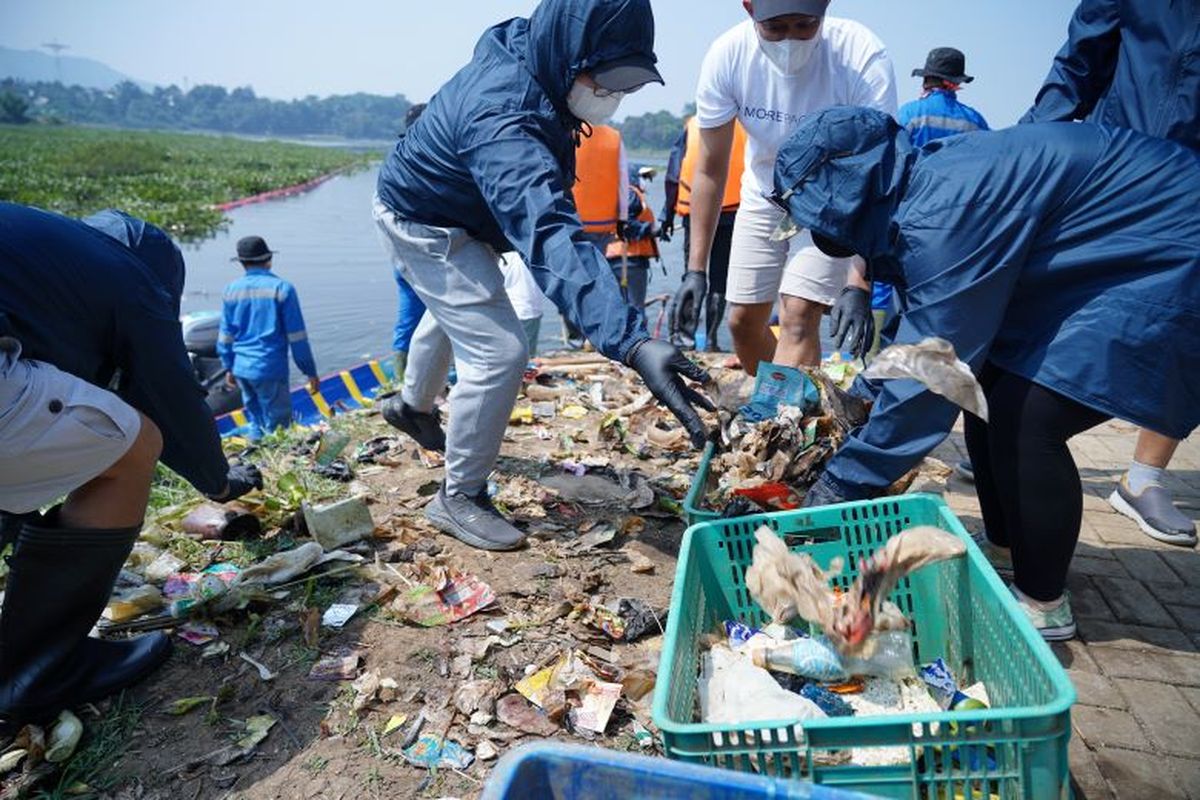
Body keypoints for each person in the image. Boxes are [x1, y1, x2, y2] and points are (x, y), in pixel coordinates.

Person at [773, 107, 1198, 640]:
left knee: (1029, 417)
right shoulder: (922, 187)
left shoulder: (943, 211)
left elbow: (934, 373)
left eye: (814, 216)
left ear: (848, 194)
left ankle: (1044, 603)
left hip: (1173, 253)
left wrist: (841, 482)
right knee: (987, 391)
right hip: (1131, 245)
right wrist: (859, 395)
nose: (816, 232)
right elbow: (931, 332)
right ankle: (1009, 546)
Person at [372, 0, 712, 552]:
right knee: (500, 350)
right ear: (569, 52)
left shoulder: (538, 58)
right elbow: (550, 231)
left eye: (623, 82)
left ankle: (410, 408)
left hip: (461, 210)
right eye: (601, 79)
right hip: (423, 220)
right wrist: (631, 341)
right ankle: (458, 497)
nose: (610, 95)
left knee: (460, 308)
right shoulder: (501, 115)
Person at [0, 203, 263, 731]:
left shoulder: (47, 257)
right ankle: (35, 672)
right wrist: (220, 481)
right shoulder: (132, 278)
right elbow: (173, 399)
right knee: (134, 443)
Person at [1021, 0, 1199, 548]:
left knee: (1186, 329)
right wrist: (1027, 148)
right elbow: (1078, 63)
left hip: (1193, 189)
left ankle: (1143, 477)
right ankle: (1006, 443)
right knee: (1051, 306)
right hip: (1120, 164)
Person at [670, 0, 897, 374]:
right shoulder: (728, 56)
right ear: (749, 9)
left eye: (804, 25)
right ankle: (786, 399)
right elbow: (710, 171)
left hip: (834, 205)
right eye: (775, 28)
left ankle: (780, 420)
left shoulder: (861, 56)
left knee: (798, 315)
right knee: (741, 323)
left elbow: (877, 173)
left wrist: (859, 280)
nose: (790, 39)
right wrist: (695, 269)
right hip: (764, 194)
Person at [217, 236, 320, 440]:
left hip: (242, 368)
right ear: (269, 259)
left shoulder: (231, 291)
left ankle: (260, 458)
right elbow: (297, 339)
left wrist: (229, 366)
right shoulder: (282, 289)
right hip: (269, 367)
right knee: (279, 425)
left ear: (242, 263)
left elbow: (225, 336)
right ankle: (278, 463)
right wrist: (310, 372)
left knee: (255, 419)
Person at [661, 116, 747, 351]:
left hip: (697, 211)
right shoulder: (747, 126)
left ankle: (685, 340)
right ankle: (711, 341)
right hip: (734, 211)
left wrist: (667, 214)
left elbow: (674, 173)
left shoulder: (695, 124)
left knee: (694, 274)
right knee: (720, 282)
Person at [563, 122, 630, 348]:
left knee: (571, 280)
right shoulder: (614, 137)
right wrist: (622, 218)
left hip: (570, 221)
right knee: (596, 280)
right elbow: (623, 182)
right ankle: (598, 336)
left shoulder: (565, 130)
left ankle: (576, 340)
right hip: (602, 225)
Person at [392, 103, 431, 379]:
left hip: (403, 247)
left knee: (411, 313)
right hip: (423, 248)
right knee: (434, 314)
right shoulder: (426, 158)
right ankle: (410, 376)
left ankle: (406, 375)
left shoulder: (399, 157)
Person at [896, 47, 989, 147]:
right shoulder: (975, 121)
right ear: (956, 83)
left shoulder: (909, 113)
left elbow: (893, 152)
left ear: (926, 80)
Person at [606, 165, 660, 324]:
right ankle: (636, 345)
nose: (647, 181)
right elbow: (625, 224)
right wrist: (650, 229)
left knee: (621, 307)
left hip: (618, 259)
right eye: (644, 177)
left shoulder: (624, 195)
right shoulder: (631, 194)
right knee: (636, 309)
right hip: (629, 261)